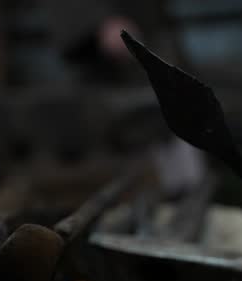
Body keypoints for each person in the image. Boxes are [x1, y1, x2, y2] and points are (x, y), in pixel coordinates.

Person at [44, 0, 206, 198]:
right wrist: (99, 20)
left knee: (179, 136)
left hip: (152, 42)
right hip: (109, 59)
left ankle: (183, 193)